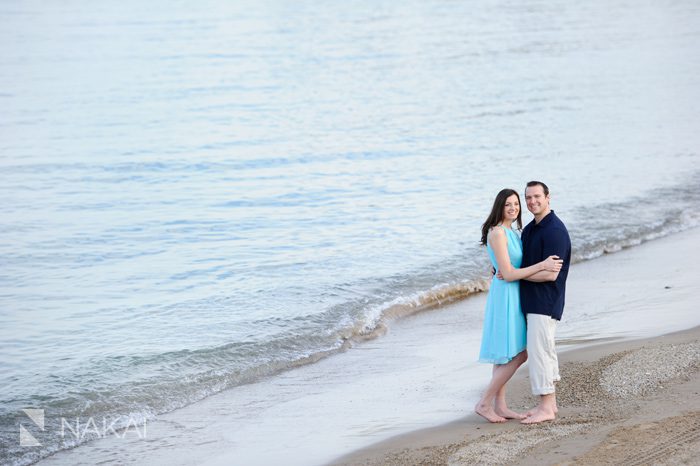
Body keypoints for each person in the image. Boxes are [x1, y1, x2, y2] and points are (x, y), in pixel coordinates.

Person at [475, 188, 563, 423]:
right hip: (505, 296)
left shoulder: (514, 233)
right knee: (518, 354)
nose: (513, 208)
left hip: (515, 293)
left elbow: (506, 268)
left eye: (516, 204)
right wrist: (542, 265)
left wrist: (504, 270)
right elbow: (509, 273)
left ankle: (500, 406)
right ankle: (485, 402)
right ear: (499, 207)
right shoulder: (497, 233)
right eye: (508, 205)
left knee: (507, 354)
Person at [518, 181, 571, 424]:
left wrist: (515, 274)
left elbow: (550, 274)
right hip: (532, 300)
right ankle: (551, 405)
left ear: (548, 197)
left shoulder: (555, 231)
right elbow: (528, 267)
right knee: (544, 351)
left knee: (540, 353)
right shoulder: (530, 230)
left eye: (537, 196)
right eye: (528, 198)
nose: (532, 202)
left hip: (546, 301)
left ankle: (545, 408)